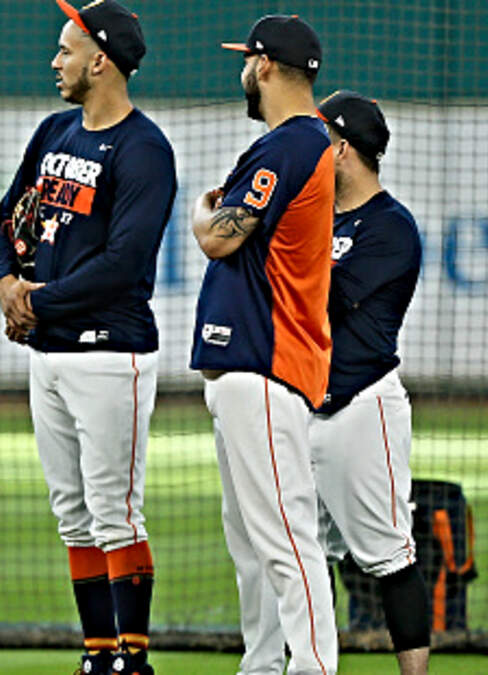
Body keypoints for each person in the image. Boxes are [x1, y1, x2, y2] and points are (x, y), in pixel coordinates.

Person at [0, 2, 176, 673]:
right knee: (73, 513)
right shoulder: (53, 132)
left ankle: (135, 659)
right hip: (51, 353)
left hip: (110, 350)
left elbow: (125, 262)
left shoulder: (144, 148)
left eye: (65, 49)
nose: (55, 60)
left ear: (100, 60)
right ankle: (99, 655)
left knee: (115, 512)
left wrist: (37, 299)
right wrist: (7, 282)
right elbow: (5, 216)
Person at [242, 91, 429, 675]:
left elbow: (321, 299)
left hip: (360, 407)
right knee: (290, 554)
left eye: (322, 136)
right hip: (298, 408)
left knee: (389, 554)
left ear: (342, 148)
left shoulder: (391, 227)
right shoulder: (316, 216)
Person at [190, 15, 338, 675]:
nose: (242, 71)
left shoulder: (294, 142)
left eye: (246, 60)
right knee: (252, 540)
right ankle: (262, 663)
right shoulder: (291, 143)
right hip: (248, 364)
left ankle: (311, 666)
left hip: (268, 360)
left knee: (283, 538)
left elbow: (220, 234)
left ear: (267, 66)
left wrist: (200, 210)